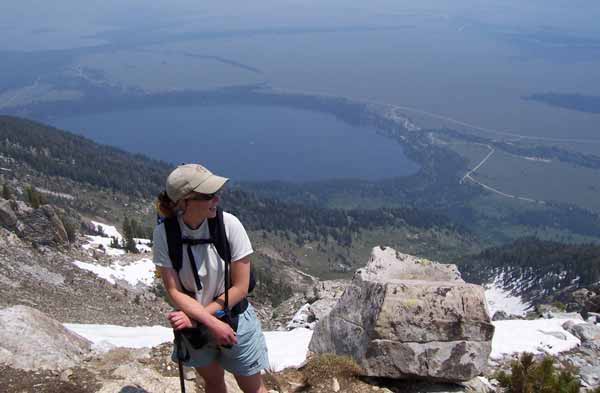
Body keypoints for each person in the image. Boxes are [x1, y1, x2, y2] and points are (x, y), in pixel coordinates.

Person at [153, 163, 269, 393]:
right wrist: (210, 322)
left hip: (229, 319)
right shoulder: (164, 234)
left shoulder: (229, 225)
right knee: (214, 383)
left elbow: (241, 286)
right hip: (196, 325)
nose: (216, 199)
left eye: (216, 194)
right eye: (209, 195)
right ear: (184, 201)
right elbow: (173, 290)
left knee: (253, 389)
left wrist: (201, 319)